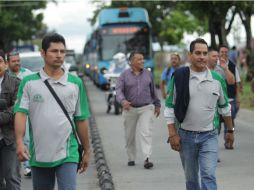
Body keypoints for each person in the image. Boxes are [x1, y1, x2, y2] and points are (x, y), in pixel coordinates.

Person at [14, 33, 91, 190]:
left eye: (62, 52)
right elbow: (21, 113)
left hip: (68, 152)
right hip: (39, 154)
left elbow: (81, 119)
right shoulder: (29, 83)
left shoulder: (75, 83)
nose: (59, 55)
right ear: (43, 53)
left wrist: (87, 150)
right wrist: (20, 142)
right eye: (54, 51)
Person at [164, 38, 234, 190]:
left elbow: (225, 107)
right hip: (185, 136)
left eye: (204, 53)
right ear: (190, 55)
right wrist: (172, 134)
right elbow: (170, 107)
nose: (202, 56)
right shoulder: (179, 77)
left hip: (209, 136)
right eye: (197, 53)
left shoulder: (217, 79)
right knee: (191, 179)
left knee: (208, 175)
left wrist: (230, 130)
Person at [116, 51, 161, 169]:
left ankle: (147, 158)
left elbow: (153, 91)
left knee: (146, 133)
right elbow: (119, 91)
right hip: (129, 109)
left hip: (146, 108)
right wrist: (122, 101)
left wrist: (157, 104)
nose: (142, 61)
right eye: (139, 59)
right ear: (131, 61)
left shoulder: (148, 74)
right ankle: (131, 157)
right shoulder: (124, 75)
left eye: (143, 59)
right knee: (129, 135)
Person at [6, 51, 33, 177]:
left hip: (23, 112)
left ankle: (27, 166)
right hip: (7, 113)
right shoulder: (5, 75)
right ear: (7, 63)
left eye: (18, 60)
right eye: (14, 61)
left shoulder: (27, 74)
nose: (17, 63)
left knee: (25, 138)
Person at [0, 49, 21, 190]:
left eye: (0, 62)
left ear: (6, 64)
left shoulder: (16, 83)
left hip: (9, 138)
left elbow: (17, 108)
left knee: (12, 178)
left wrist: (2, 117)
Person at [219, 45, 241, 149]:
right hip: (218, 99)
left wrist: (238, 97)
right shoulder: (215, 65)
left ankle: (228, 138)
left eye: (226, 52)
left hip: (230, 98)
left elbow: (236, 83)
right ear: (219, 53)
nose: (224, 54)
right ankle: (226, 140)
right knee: (225, 119)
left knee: (230, 117)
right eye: (222, 52)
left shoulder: (232, 66)